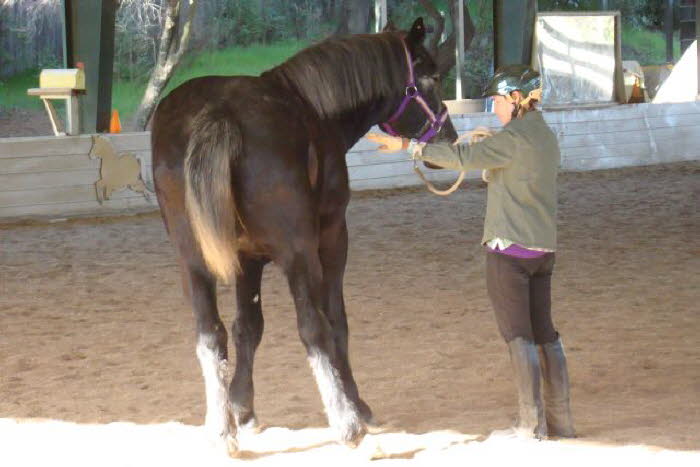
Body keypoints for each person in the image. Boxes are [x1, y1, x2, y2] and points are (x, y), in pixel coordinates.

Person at [367, 65, 575, 439]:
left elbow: (461, 159)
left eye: (497, 100)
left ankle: (530, 425)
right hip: (543, 248)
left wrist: (408, 146)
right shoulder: (544, 136)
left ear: (516, 99)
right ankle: (562, 421)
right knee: (545, 332)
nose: (494, 109)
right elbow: (502, 163)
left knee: (518, 336)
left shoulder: (511, 141)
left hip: (509, 249)